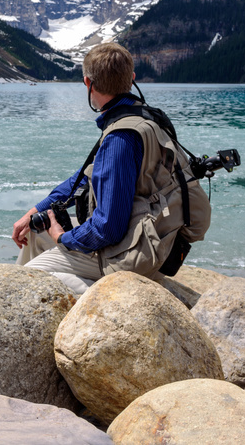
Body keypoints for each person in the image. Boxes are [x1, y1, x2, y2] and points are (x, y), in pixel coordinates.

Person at [12, 42, 209, 294]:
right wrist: (36, 211)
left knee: (29, 278)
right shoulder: (146, 119)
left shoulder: (120, 139)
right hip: (157, 239)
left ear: (87, 83)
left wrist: (62, 238)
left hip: (134, 254)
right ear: (132, 79)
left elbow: (108, 228)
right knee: (35, 232)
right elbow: (86, 177)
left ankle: (103, 299)